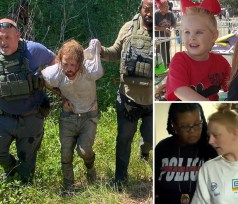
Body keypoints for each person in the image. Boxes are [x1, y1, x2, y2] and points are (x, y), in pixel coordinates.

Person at [100, 0, 153, 186]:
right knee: (123, 139)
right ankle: (120, 179)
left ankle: (144, 151)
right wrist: (101, 51)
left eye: (154, 9)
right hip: (128, 98)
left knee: (151, 139)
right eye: (147, 8)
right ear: (141, 8)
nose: (150, 13)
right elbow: (115, 52)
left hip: (153, 102)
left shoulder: (164, 33)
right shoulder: (128, 28)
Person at [41, 39, 103, 191]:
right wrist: (62, 97)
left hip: (89, 115)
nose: (68, 68)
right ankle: (69, 187)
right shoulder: (57, 72)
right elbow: (44, 80)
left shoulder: (90, 70)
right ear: (61, 60)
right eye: (65, 64)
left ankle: (90, 167)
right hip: (68, 116)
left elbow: (97, 55)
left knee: (84, 151)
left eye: (73, 65)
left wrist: (97, 46)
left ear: (80, 63)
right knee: (66, 154)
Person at [0, 18, 55, 183]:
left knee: (27, 174)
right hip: (3, 117)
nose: (3, 42)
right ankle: (11, 169)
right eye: (0, 38)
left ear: (18, 35)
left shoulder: (33, 50)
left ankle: (22, 177)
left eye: (7, 37)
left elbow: (56, 61)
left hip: (31, 118)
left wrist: (46, 77)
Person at [165, 5, 230, 101]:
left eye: (199, 32)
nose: (192, 37)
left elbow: (233, 85)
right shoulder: (179, 60)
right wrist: (208, 106)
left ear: (214, 35)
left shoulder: (221, 62)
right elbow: (180, 90)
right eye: (187, 32)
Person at [155, 103, 217, 204]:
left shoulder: (211, 148)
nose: (192, 130)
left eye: (197, 124)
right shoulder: (163, 148)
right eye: (185, 126)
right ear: (174, 125)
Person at [155, 0, 177, 67]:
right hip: (158, 38)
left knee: (167, 51)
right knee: (160, 52)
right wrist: (164, 29)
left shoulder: (170, 14)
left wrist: (172, 29)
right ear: (160, 7)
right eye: (166, 6)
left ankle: (167, 65)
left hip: (167, 37)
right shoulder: (156, 14)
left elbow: (174, 24)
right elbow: (153, 27)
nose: (168, 7)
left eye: (168, 5)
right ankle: (160, 66)